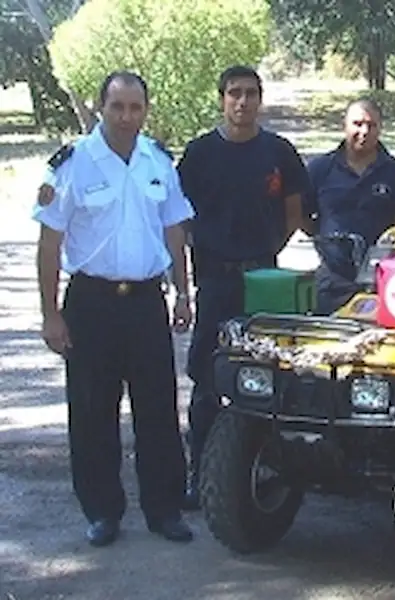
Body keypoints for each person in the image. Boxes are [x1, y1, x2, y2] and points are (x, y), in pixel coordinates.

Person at [34, 71, 195, 546]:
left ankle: (164, 509)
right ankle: (102, 511)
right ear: (100, 107)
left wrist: (183, 292)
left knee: (158, 409)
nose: (127, 117)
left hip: (146, 301)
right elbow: (49, 243)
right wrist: (50, 314)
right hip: (91, 303)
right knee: (91, 410)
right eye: (117, 107)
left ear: (146, 109)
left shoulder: (158, 160)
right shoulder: (72, 164)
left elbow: (174, 230)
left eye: (135, 107)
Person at [177, 65, 310, 510]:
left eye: (250, 93)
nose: (242, 101)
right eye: (234, 93)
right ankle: (201, 472)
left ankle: (267, 467)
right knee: (207, 378)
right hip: (216, 279)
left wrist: (270, 247)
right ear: (221, 99)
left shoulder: (278, 152)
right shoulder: (199, 154)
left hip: (265, 280)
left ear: (260, 99)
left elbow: (294, 211)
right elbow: (181, 219)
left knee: (270, 373)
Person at [305, 98, 395, 314]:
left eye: (371, 125)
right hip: (332, 281)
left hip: (383, 280)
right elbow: (300, 215)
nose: (364, 131)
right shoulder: (320, 169)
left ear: (380, 129)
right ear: (344, 126)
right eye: (357, 123)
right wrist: (327, 240)